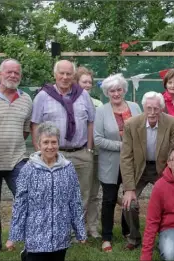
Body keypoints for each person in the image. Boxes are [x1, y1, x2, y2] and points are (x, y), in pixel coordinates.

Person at [31, 59, 96, 245]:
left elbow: (91, 121)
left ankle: (77, 231)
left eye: (69, 74)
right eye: (62, 73)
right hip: (53, 155)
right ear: (55, 75)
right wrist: (39, 152)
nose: (65, 77)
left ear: (73, 75)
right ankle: (56, 230)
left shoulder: (83, 95)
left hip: (81, 152)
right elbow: (35, 124)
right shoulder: (43, 96)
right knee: (54, 194)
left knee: (82, 194)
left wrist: (90, 148)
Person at [6, 122, 87, 261]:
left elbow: (75, 202)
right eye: (46, 142)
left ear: (58, 143)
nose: (50, 146)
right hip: (35, 235)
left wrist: (80, 231)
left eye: (54, 142)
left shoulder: (68, 168)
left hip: (60, 236)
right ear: (39, 144)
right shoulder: (28, 169)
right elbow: (20, 203)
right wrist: (13, 236)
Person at [0, 58, 33, 256]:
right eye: (8, 72)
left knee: (27, 199)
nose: (12, 75)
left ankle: (27, 240)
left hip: (17, 159)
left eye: (16, 73)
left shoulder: (26, 99)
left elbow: (25, 130)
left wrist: (12, 141)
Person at [120, 91, 174, 250]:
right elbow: (126, 157)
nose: (152, 113)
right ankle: (134, 238)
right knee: (129, 204)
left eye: (156, 108)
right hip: (139, 168)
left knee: (171, 202)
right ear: (143, 108)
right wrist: (129, 188)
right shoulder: (131, 124)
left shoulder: (172, 123)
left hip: (163, 168)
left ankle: (166, 236)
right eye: (149, 108)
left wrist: (170, 180)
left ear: (162, 108)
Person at [93, 73, 142, 252]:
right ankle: (106, 236)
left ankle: (127, 230)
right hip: (110, 164)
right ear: (107, 92)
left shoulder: (136, 107)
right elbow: (97, 139)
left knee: (130, 198)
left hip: (132, 163)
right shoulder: (101, 111)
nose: (116, 93)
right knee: (109, 200)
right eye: (112, 90)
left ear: (124, 90)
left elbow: (143, 132)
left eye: (119, 89)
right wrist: (122, 146)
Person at [74, 66, 103, 239]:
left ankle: (92, 226)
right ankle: (77, 228)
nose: (87, 85)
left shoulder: (98, 104)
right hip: (77, 153)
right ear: (76, 83)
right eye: (84, 81)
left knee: (93, 192)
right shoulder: (70, 102)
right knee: (78, 193)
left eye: (90, 82)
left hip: (96, 154)